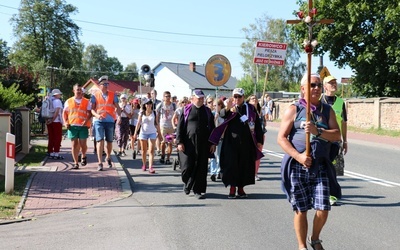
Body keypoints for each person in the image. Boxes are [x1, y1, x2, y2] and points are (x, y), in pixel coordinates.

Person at [277, 73, 341, 250]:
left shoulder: (327, 110)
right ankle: (301, 246)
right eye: (312, 85)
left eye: (319, 85)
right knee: (301, 208)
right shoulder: (294, 109)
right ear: (302, 88)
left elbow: (337, 135)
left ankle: (315, 238)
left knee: (323, 207)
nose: (316, 88)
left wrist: (317, 131)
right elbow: (281, 138)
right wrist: (298, 156)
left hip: (320, 164)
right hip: (298, 164)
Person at [209, 88, 264, 198]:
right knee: (231, 166)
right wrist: (228, 108)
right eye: (235, 97)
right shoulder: (230, 109)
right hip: (231, 143)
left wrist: (259, 141)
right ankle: (232, 188)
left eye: (239, 96)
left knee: (244, 166)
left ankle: (241, 188)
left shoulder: (250, 108)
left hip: (246, 142)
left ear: (243, 97)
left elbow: (257, 125)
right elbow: (222, 114)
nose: (237, 99)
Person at [176, 89, 215, 199]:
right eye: (199, 99)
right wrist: (179, 142)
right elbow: (179, 127)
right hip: (188, 143)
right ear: (192, 99)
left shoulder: (207, 112)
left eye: (202, 98)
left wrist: (212, 143)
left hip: (203, 143)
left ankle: (198, 190)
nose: (201, 100)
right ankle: (187, 183)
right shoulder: (185, 110)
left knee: (201, 167)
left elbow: (212, 128)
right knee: (186, 166)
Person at [321, 75, 348, 205]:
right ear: (324, 86)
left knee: (332, 168)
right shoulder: (319, 100)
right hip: (320, 140)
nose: (334, 85)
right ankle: (321, 192)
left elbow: (343, 123)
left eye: (335, 83)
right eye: (330, 83)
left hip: (335, 141)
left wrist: (345, 141)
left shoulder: (341, 102)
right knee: (321, 167)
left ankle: (332, 195)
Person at [91, 75, 121, 171]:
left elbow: (118, 107)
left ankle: (108, 157)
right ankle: (100, 163)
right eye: (105, 84)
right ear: (99, 85)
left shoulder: (113, 94)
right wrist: (96, 115)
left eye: (107, 83)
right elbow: (91, 109)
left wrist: (119, 116)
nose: (107, 85)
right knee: (100, 141)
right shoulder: (94, 95)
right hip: (99, 121)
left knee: (109, 141)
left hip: (110, 120)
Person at [63, 84, 92, 169]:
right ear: (73, 91)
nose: (79, 91)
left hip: (83, 126)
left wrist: (86, 121)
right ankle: (76, 163)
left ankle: (83, 155)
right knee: (74, 145)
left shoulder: (87, 101)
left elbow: (90, 113)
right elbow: (64, 113)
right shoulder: (68, 101)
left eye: (80, 90)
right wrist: (65, 122)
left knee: (83, 144)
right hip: (72, 126)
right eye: (77, 90)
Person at [133, 98, 161, 174]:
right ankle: (144, 164)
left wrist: (160, 133)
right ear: (145, 105)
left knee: (151, 150)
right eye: (147, 104)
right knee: (144, 151)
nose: (149, 105)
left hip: (152, 132)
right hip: (143, 133)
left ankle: (150, 167)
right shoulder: (141, 113)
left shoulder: (155, 113)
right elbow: (138, 123)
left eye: (150, 103)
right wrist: (135, 133)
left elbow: (157, 124)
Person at [247, 94, 265, 181]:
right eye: (252, 98)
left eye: (255, 98)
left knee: (257, 155)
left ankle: (255, 173)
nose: (254, 100)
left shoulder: (261, 111)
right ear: (249, 101)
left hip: (259, 134)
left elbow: (263, 124)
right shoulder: (247, 111)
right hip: (250, 135)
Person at [156, 91, 176, 165]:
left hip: (171, 126)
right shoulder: (160, 105)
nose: (168, 98)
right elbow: (156, 114)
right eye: (166, 96)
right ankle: (163, 155)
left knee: (170, 143)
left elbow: (176, 114)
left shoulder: (173, 105)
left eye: (169, 96)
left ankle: (168, 158)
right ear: (163, 97)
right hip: (163, 125)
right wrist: (157, 124)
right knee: (163, 142)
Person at [209, 98, 225, 182]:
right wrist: (214, 118)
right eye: (214, 105)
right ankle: (213, 172)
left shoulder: (223, 115)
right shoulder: (211, 114)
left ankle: (219, 171)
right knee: (212, 157)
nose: (215, 107)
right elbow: (210, 125)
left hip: (221, 138)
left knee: (219, 156)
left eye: (217, 105)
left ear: (221, 105)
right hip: (213, 139)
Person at [46, 89, 64, 160]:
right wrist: (53, 120)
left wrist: (49, 120)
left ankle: (50, 152)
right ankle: (56, 153)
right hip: (56, 121)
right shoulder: (57, 101)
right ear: (56, 94)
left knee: (51, 137)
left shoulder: (49, 100)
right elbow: (57, 111)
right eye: (59, 94)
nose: (60, 95)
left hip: (49, 120)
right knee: (57, 137)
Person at [150, 89, 162, 155]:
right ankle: (152, 149)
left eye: (154, 93)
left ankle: (158, 149)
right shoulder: (148, 102)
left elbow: (160, 111)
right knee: (151, 135)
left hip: (157, 120)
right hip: (150, 120)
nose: (153, 95)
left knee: (157, 134)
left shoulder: (159, 102)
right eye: (152, 93)